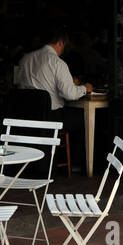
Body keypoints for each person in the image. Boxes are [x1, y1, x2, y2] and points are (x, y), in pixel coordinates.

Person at [16, 27, 91, 156]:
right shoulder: (57, 62)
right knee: (85, 119)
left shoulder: (25, 59)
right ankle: (77, 163)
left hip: (26, 115)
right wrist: (85, 88)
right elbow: (70, 93)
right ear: (61, 42)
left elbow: (18, 84)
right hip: (51, 117)